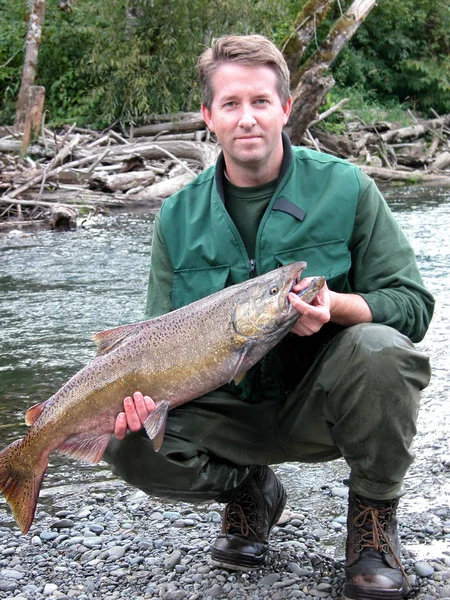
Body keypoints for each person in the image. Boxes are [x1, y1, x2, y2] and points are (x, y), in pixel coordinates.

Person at [103, 35, 434, 600]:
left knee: (382, 348)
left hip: (323, 405)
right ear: (208, 116)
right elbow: (153, 341)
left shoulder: (347, 187)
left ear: (286, 108)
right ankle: (249, 490)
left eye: (260, 101)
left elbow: (414, 305)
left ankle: (372, 530)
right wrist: (139, 403)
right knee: (125, 440)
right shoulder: (176, 217)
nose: (247, 118)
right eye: (230, 104)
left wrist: (340, 309)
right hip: (227, 412)